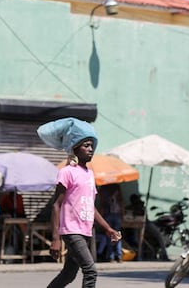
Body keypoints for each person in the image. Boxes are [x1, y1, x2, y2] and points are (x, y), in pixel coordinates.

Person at [37, 117, 121, 288]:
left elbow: (91, 207)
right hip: (71, 231)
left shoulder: (89, 174)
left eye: (91, 145)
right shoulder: (67, 172)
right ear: (75, 148)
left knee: (68, 274)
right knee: (90, 270)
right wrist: (55, 238)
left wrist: (108, 229)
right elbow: (56, 205)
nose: (91, 149)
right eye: (86, 145)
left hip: (86, 231)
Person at [96, 184, 123, 263]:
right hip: (117, 213)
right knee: (117, 234)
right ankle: (119, 256)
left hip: (107, 214)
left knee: (109, 235)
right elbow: (121, 201)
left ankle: (110, 256)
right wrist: (123, 214)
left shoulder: (103, 188)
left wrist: (100, 217)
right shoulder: (117, 186)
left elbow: (102, 203)